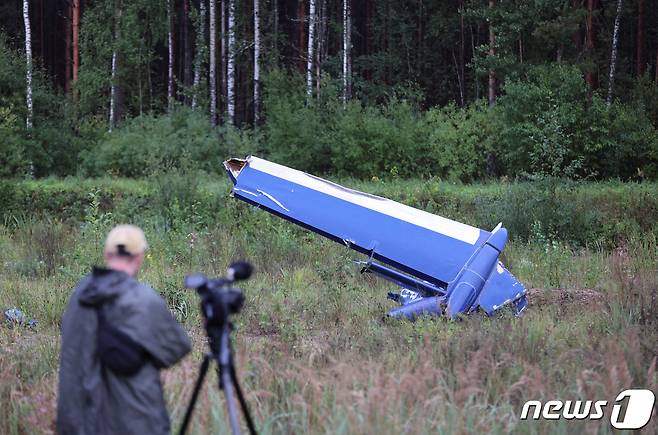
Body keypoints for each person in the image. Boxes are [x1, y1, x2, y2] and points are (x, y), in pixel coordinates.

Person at [57, 225, 191, 435]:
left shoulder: (79, 297)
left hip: (79, 421)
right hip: (134, 420)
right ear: (139, 258)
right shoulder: (144, 300)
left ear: (107, 254)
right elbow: (177, 348)